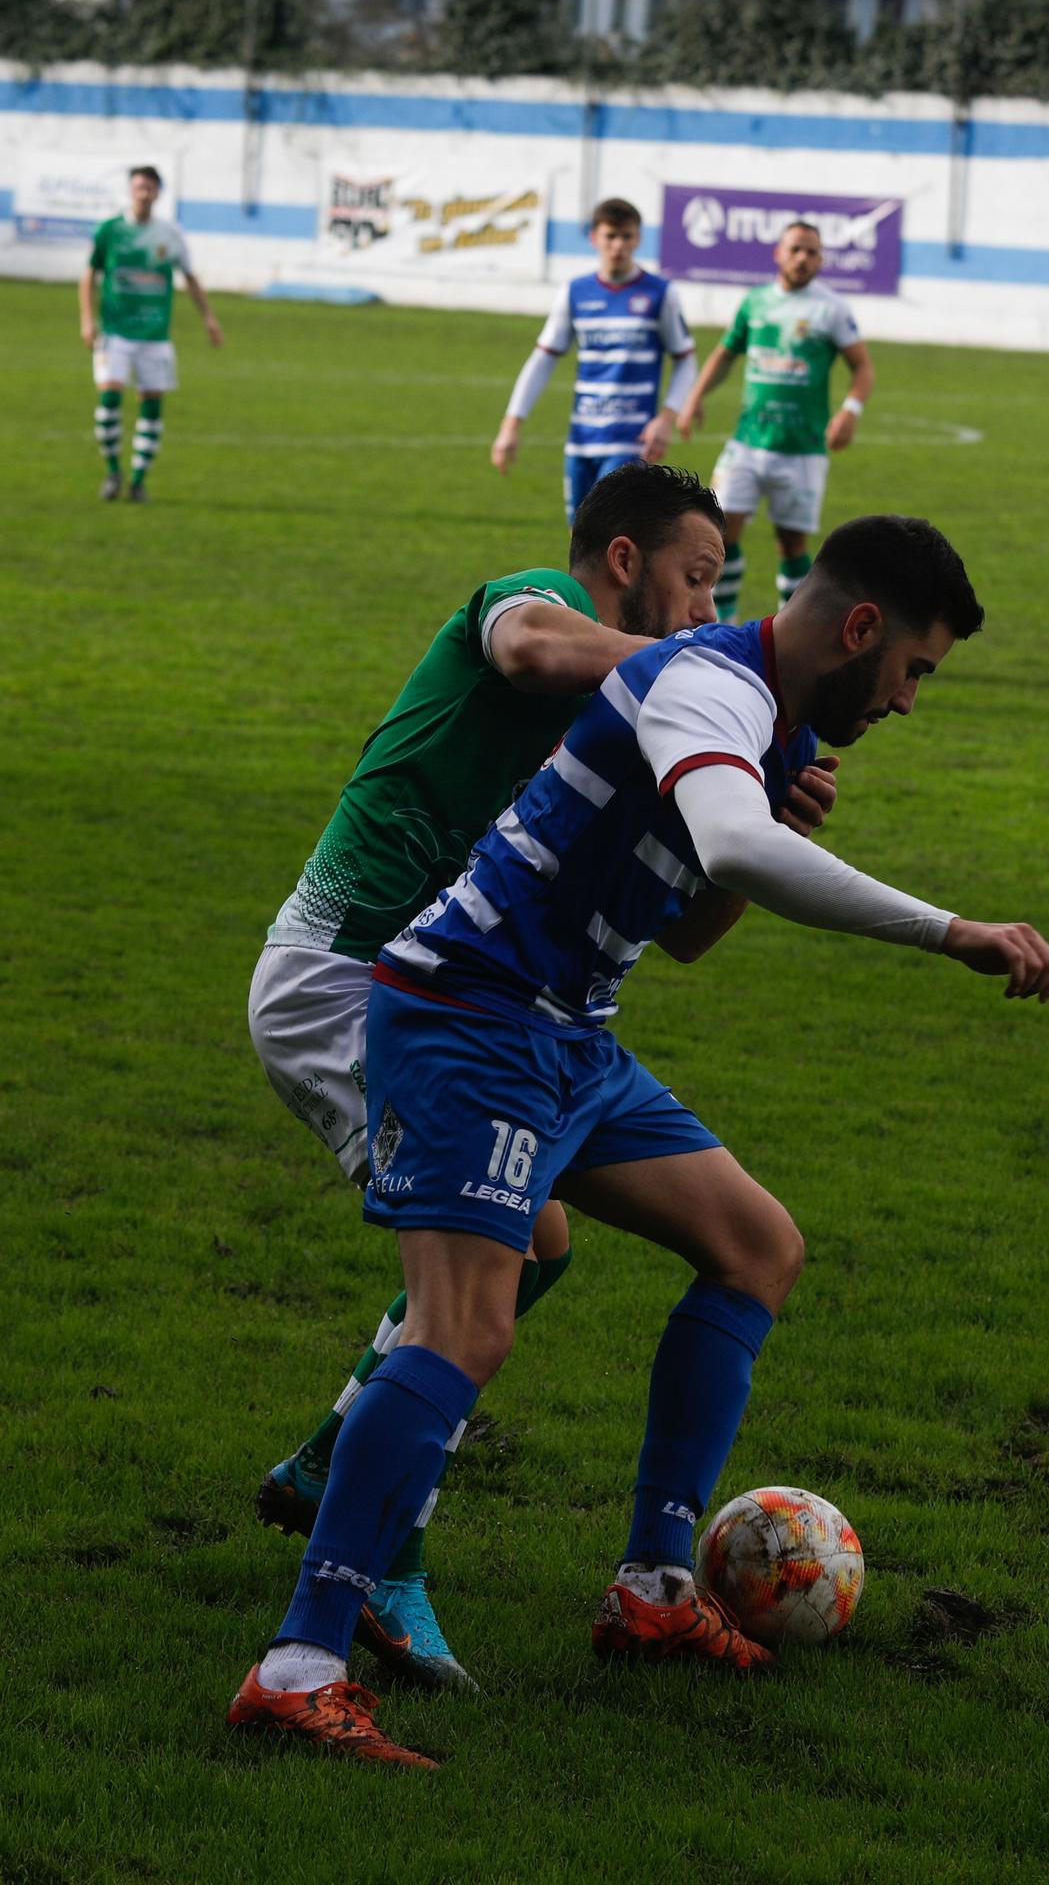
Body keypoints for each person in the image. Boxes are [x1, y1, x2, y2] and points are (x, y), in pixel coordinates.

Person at [228, 512, 1049, 1768]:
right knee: (468, 1324)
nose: (906, 700)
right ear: (860, 629)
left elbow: (690, 921)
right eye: (914, 669)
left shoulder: (761, 721)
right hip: (468, 1017)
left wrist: (775, 807)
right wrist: (952, 927)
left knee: (755, 1246)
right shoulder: (705, 682)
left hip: (565, 1033)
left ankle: (654, 1588)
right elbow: (731, 843)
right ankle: (299, 1663)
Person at [246, 462, 836, 1698]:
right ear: (622, 562)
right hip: (345, 979)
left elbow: (686, 929)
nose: (700, 609)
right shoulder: (534, 604)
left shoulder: (657, 715)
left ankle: (336, 1474)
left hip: (487, 1008)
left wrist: (765, 808)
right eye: (691, 579)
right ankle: (374, 1569)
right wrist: (706, 680)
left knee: (579, 1246)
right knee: (508, 1260)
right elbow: (521, 651)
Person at [678, 220, 874, 622]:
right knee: (720, 535)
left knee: (791, 545)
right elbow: (725, 353)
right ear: (778, 254)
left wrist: (850, 411)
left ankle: (790, 629)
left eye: (812, 252)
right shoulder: (755, 303)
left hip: (801, 450)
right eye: (796, 249)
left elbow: (863, 368)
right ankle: (723, 623)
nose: (803, 258)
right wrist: (694, 397)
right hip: (747, 444)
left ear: (821, 259)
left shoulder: (831, 309)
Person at [491, 197, 698, 523]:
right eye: (610, 236)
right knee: (581, 543)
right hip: (582, 441)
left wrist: (667, 417)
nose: (618, 245)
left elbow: (686, 360)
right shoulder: (575, 292)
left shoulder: (660, 293)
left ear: (638, 239)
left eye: (627, 236)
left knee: (612, 538)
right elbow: (543, 360)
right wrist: (511, 425)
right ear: (594, 238)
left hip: (631, 441)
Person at [77, 165, 222, 503]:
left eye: (150, 188)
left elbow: (190, 277)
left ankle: (139, 481)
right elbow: (89, 276)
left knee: (152, 407)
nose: (144, 193)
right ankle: (113, 471)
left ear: (158, 193)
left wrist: (209, 319)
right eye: (139, 187)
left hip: (155, 336)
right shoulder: (110, 231)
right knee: (109, 400)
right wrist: (87, 321)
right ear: (130, 190)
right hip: (115, 332)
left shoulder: (169, 234)